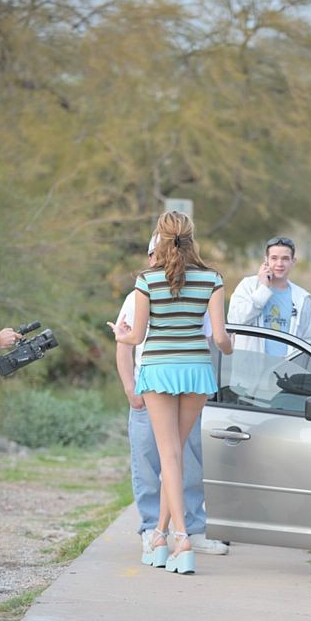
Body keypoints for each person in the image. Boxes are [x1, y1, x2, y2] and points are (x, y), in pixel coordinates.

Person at [108, 211, 233, 575]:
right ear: (192, 238)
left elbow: (137, 337)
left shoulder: (146, 281)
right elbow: (221, 339)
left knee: (169, 458)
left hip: (159, 370)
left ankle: (181, 540)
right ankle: (161, 534)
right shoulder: (213, 279)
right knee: (177, 455)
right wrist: (229, 347)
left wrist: (121, 333)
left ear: (159, 240)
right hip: (196, 371)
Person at [227, 236, 311, 353]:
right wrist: (263, 289)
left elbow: (309, 340)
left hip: (286, 369)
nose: (279, 263)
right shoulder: (248, 286)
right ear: (266, 260)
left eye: (285, 259)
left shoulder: (302, 298)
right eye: (274, 258)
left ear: (293, 261)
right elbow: (235, 321)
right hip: (250, 368)